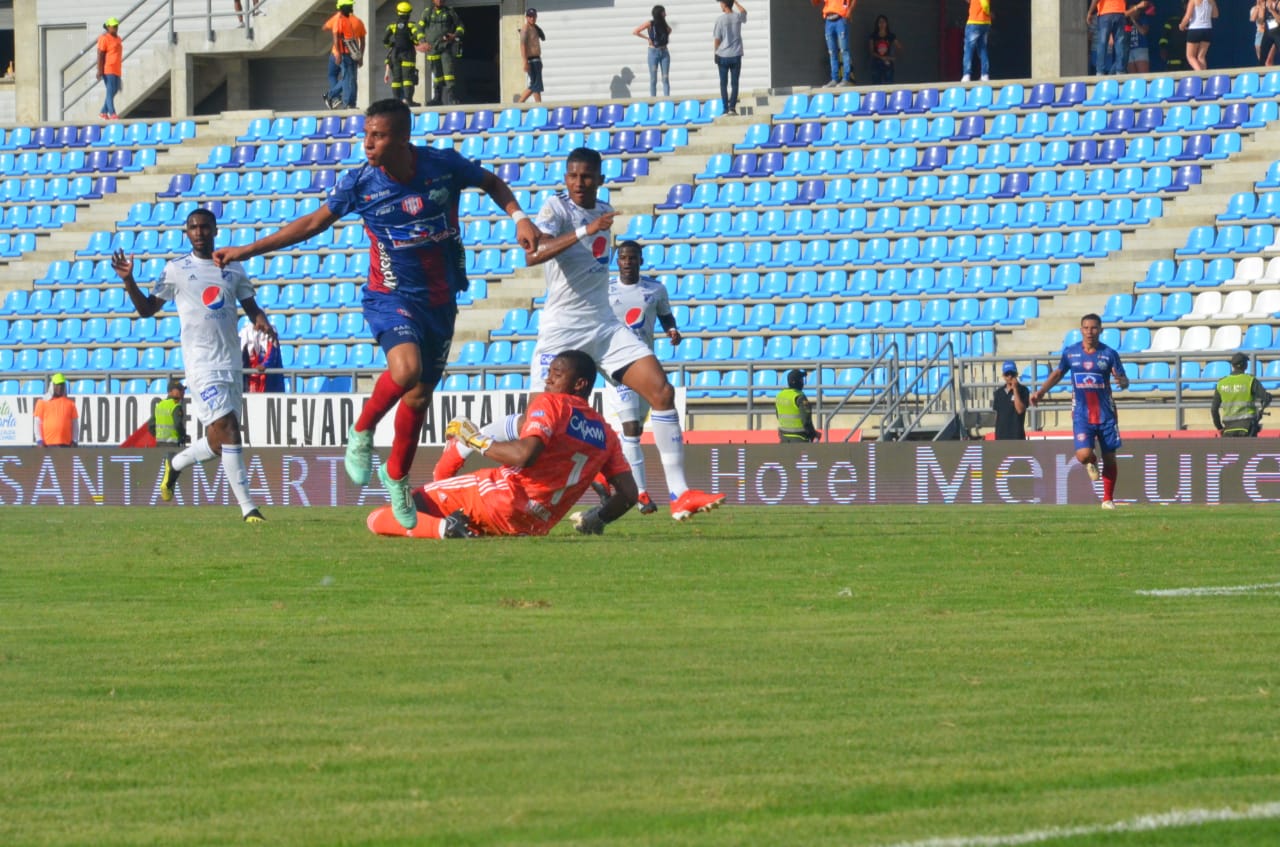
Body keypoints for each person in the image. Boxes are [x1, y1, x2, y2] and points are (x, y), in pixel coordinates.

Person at [212, 98, 538, 530]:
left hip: (440, 298)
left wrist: (519, 217)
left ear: (403, 138)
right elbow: (312, 224)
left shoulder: (442, 165)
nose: (367, 143)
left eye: (378, 135)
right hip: (390, 294)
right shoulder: (361, 183)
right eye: (366, 133)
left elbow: (492, 182)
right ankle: (362, 432)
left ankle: (397, 477)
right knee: (405, 371)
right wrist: (244, 250)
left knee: (419, 398)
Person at [435, 148, 724, 521]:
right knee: (533, 426)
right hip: (562, 331)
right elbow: (533, 253)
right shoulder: (555, 210)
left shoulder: (603, 209)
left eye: (586, 176)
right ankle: (465, 441)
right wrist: (586, 230)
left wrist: (594, 226)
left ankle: (680, 494)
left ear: (600, 179)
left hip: (603, 324)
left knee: (662, 391)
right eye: (572, 176)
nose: (579, 183)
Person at [368, 350, 638, 539]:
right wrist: (598, 519)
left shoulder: (551, 403)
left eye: (556, 374)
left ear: (579, 384)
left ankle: (444, 529)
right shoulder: (606, 433)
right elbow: (628, 495)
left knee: (384, 517)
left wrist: (474, 439)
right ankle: (452, 527)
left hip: (496, 496)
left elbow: (525, 455)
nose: (548, 380)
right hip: (533, 524)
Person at [111, 209, 271, 524]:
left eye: (204, 227)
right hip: (200, 364)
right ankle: (248, 509)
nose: (199, 232)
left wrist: (261, 320)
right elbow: (145, 310)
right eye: (193, 228)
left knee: (217, 439)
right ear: (187, 233)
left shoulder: (232, 266)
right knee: (229, 430)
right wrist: (129, 280)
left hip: (231, 364)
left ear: (214, 230)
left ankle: (176, 464)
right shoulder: (176, 270)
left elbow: (251, 307)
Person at [597, 239, 681, 513]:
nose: (628, 262)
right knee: (631, 428)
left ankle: (604, 471)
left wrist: (671, 331)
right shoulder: (605, 290)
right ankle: (641, 493)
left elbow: (666, 316)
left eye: (633, 258)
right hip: (616, 367)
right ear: (617, 261)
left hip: (644, 363)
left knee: (636, 431)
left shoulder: (655, 290)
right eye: (623, 257)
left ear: (640, 261)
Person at [1030, 314, 1130, 510]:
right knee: (1083, 455)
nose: (1089, 332)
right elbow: (1058, 373)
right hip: (1082, 414)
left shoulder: (1109, 354)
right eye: (1085, 328)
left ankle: (1107, 499)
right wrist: (1041, 392)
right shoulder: (1071, 353)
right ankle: (1090, 462)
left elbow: (1124, 380)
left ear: (1100, 330)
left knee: (1110, 458)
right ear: (1081, 330)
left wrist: (1123, 382)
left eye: (1093, 328)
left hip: (1106, 415)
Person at [1212, 352, 1271, 437]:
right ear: (1245, 365)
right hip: (1248, 426)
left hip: (1228, 428)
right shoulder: (1250, 380)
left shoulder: (1221, 383)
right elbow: (1266, 398)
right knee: (1248, 450)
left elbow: (1214, 409)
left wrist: (1219, 427)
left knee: (1230, 450)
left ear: (1232, 365)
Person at [323, 0, 366, 110]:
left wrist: (338, 54)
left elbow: (326, 29)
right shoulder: (358, 21)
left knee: (338, 76)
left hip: (339, 53)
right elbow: (363, 41)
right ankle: (346, 102)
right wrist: (360, 57)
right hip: (351, 54)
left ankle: (335, 97)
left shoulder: (338, 19)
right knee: (350, 79)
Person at [420, 0, 465, 106]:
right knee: (437, 74)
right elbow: (419, 29)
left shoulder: (450, 12)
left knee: (448, 72)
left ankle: (452, 97)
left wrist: (454, 35)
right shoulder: (427, 12)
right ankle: (437, 98)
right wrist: (422, 42)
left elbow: (461, 27)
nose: (439, 1)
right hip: (432, 48)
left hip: (445, 47)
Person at [383, 2, 424, 107]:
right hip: (407, 53)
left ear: (398, 12)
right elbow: (416, 37)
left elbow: (385, 40)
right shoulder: (411, 25)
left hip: (395, 54)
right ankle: (408, 101)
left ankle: (396, 102)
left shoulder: (392, 26)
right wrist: (416, 42)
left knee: (396, 79)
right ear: (409, 13)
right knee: (408, 78)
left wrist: (392, 45)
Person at [713, 0, 747, 116]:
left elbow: (717, 39)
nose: (720, 5)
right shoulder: (737, 17)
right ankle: (732, 108)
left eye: (721, 3)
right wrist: (735, 2)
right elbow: (744, 11)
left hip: (723, 55)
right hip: (736, 54)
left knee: (723, 83)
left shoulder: (720, 20)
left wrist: (715, 52)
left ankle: (725, 109)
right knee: (735, 82)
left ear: (725, 4)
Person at [811, 0, 854, 87]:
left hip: (840, 18)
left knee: (844, 50)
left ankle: (846, 78)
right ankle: (834, 79)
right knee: (832, 52)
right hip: (828, 19)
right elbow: (815, 3)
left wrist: (849, 10)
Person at [633, 5, 672, 98]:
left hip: (664, 52)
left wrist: (663, 39)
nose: (665, 14)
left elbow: (669, 30)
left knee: (665, 78)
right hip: (653, 52)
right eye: (663, 12)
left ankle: (667, 99)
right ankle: (653, 100)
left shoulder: (664, 24)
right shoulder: (650, 23)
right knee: (653, 79)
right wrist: (648, 38)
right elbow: (636, 31)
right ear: (659, 13)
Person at [33, 373, 78, 447]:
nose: (59, 387)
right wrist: (39, 440)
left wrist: (74, 440)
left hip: (66, 445)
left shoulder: (70, 404)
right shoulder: (42, 402)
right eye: (57, 385)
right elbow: (37, 423)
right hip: (47, 446)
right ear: (52, 386)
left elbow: (75, 424)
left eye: (61, 385)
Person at [776, 369, 819, 443]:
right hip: (800, 436)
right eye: (801, 380)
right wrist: (813, 435)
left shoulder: (780, 395)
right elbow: (806, 420)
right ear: (797, 382)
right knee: (805, 455)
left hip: (783, 435)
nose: (803, 382)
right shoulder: (800, 397)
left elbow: (778, 415)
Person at [239, 321, 284, 393]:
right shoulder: (246, 332)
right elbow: (242, 355)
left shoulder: (270, 331)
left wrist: (264, 365)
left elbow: (272, 354)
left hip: (269, 379)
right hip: (251, 378)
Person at [1087, 0, 1129, 75]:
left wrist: (1090, 12)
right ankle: (1120, 70)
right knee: (1120, 43)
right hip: (1120, 12)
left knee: (1102, 43)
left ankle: (1100, 71)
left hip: (1105, 13)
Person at [992, 361, 1029, 441]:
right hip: (1001, 437)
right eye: (1007, 374)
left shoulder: (1023, 390)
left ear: (1016, 374)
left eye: (1012, 374)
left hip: (1017, 436)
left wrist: (1015, 389)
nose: (1010, 376)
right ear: (1003, 376)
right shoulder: (998, 393)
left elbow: (1020, 410)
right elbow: (997, 416)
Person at [515, 8, 546, 104]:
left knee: (536, 85)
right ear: (527, 17)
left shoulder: (534, 28)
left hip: (537, 60)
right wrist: (525, 62)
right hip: (531, 61)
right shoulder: (525, 28)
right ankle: (520, 104)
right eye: (530, 16)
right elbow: (522, 45)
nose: (532, 18)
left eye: (534, 16)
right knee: (535, 85)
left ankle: (537, 105)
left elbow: (543, 38)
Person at [148, 378, 189, 447]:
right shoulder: (175, 406)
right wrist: (183, 436)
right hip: (173, 444)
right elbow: (178, 424)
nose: (183, 392)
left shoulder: (160, 405)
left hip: (159, 444)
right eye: (180, 390)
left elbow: (150, 425)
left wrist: (157, 435)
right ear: (171, 392)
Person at [96, 18, 123, 120]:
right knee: (110, 90)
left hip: (117, 68)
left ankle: (103, 112)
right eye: (114, 26)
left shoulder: (118, 38)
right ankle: (112, 113)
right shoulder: (104, 38)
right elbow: (100, 54)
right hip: (108, 68)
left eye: (117, 26)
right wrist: (99, 70)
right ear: (108, 27)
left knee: (114, 90)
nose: (116, 28)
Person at [1179, 0, 1217, 70]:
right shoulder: (1211, 1)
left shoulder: (1193, 1)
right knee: (1201, 57)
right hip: (1207, 29)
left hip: (1195, 29)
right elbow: (1215, 15)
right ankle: (1204, 77)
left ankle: (1199, 73)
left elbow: (1188, 16)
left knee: (1190, 56)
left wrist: (1182, 25)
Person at [961, 0, 991, 82]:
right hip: (986, 23)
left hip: (974, 21)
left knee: (968, 50)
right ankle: (985, 75)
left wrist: (987, 12)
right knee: (982, 49)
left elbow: (984, 3)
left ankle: (966, 75)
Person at [868, 14, 902, 85]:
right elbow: (871, 51)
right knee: (876, 83)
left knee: (889, 83)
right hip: (877, 62)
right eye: (880, 22)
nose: (882, 24)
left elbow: (899, 47)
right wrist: (881, 57)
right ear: (877, 24)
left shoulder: (890, 35)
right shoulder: (873, 36)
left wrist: (893, 57)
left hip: (887, 62)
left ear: (886, 24)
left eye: (883, 22)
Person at [1125, 1, 1155, 73]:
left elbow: (1143, 32)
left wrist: (1134, 21)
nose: (1131, 12)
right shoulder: (1126, 21)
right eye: (1130, 10)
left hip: (1140, 48)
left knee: (1143, 75)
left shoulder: (1143, 18)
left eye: (1133, 10)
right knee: (1132, 77)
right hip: (1129, 50)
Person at [1256, 0, 1280, 64]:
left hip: (1278, 33)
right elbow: (1261, 21)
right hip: (1268, 33)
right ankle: (1262, 73)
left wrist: (1272, 10)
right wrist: (1259, 10)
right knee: (1263, 56)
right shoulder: (1266, 3)